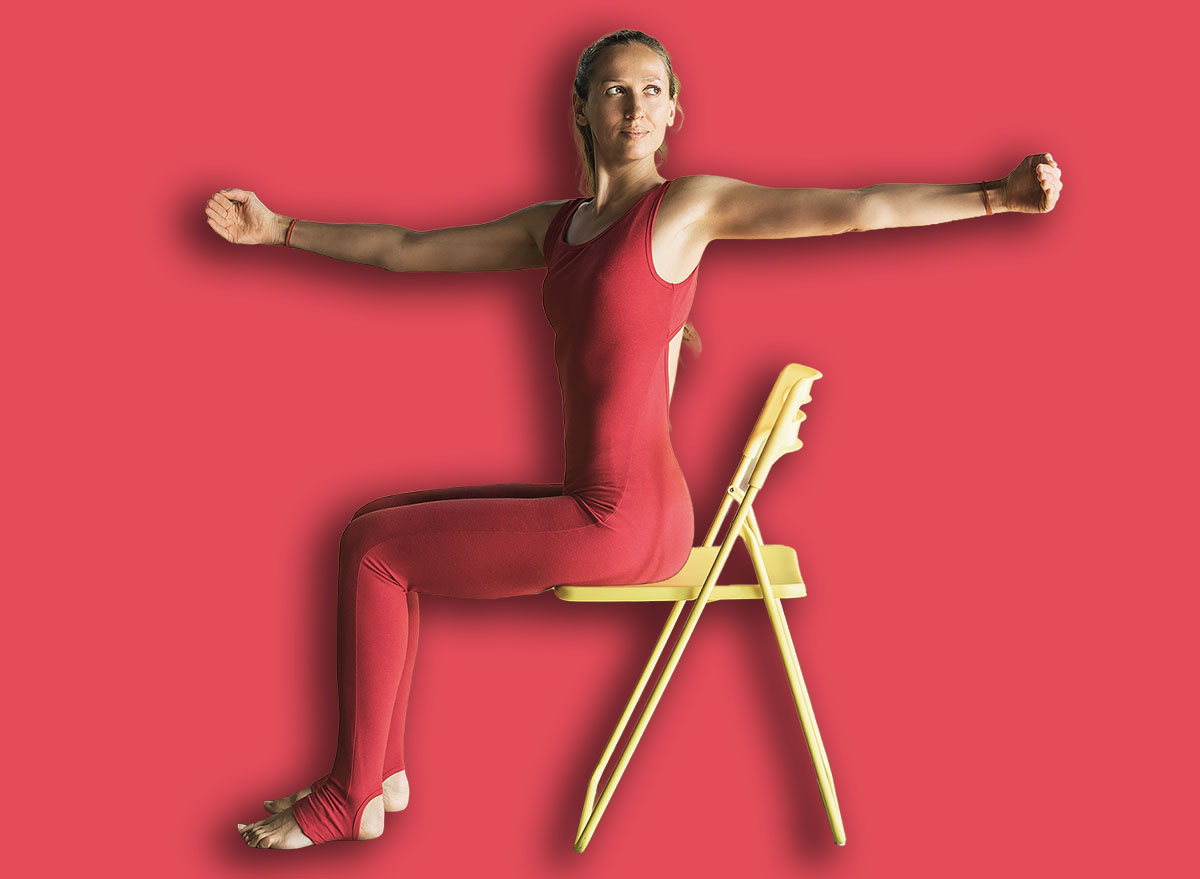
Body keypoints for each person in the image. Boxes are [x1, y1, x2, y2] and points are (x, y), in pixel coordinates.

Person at [209, 29, 1063, 850]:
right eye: (615, 90)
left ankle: (348, 794)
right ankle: (379, 774)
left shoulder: (684, 208)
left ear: (675, 112)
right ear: (582, 109)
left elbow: (858, 209)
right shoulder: (558, 227)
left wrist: (996, 197)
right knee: (379, 518)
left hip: (624, 522)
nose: (635, 106)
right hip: (611, 508)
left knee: (373, 552)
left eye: (653, 90)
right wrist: (279, 228)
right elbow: (407, 249)